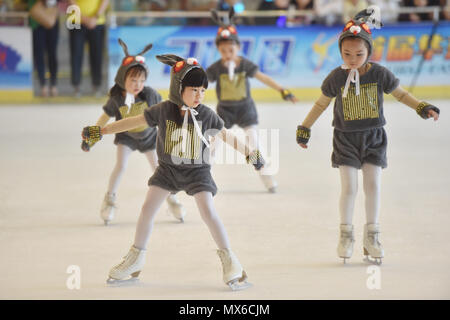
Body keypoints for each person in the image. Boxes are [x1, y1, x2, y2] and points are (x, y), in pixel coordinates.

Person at [82, 54, 265, 290]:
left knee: (208, 212)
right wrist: (102, 131)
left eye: (202, 90)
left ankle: (231, 261)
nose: (199, 95)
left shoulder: (207, 114)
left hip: (197, 172)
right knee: (147, 209)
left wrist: (252, 154)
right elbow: (131, 121)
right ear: (179, 89)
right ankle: (136, 258)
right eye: (194, 90)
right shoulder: (163, 110)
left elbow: (227, 136)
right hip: (167, 170)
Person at [295, 6, 440, 264]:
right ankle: (346, 234)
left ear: (369, 51)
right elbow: (321, 104)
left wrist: (421, 106)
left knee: (373, 186)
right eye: (347, 53)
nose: (352, 58)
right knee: (349, 187)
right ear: (340, 51)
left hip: (373, 138)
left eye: (359, 53)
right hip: (345, 139)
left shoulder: (379, 74)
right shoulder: (336, 77)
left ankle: (372, 235)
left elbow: (401, 94)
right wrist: (305, 127)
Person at [81, 39, 186, 225]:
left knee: (159, 169)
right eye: (133, 80)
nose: (138, 84)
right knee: (120, 166)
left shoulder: (151, 95)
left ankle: (171, 198)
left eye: (141, 80)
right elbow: (104, 118)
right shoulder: (116, 99)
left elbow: (165, 114)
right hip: (126, 138)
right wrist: (93, 137)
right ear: (122, 79)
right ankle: (110, 199)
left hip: (149, 138)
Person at [207, 8, 298, 193]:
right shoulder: (216, 68)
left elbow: (263, 77)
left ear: (238, 48)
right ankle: (203, 176)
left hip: (245, 109)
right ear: (218, 49)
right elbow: (201, 82)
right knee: (213, 144)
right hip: (224, 111)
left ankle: (266, 175)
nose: (227, 53)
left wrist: (282, 90)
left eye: (231, 49)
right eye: (223, 50)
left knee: (254, 143)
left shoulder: (245, 65)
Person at [68, 0, 109, 98]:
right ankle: (76, 86)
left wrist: (95, 17)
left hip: (97, 21)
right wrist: (83, 17)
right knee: (76, 54)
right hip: (76, 20)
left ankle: (96, 86)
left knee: (97, 55)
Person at [28, 0, 60, 97]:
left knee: (52, 53)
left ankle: (53, 84)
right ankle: (43, 85)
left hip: (51, 17)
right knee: (39, 54)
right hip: (36, 20)